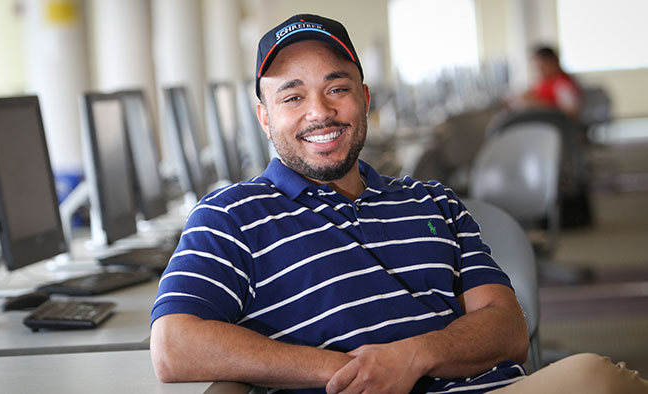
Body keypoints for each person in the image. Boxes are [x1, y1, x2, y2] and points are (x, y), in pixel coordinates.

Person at [150, 14, 648, 394]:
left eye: (337, 89)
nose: (320, 112)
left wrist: (413, 357)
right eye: (292, 97)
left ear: (365, 99)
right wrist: (354, 372)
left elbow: (508, 329)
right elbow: (173, 346)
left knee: (596, 377)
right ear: (264, 116)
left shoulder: (434, 201)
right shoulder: (231, 215)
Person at [514, 45, 582, 118]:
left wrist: (538, 103)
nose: (540, 71)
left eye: (542, 67)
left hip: (555, 125)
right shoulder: (542, 83)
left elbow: (571, 112)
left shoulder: (563, 84)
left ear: (552, 62)